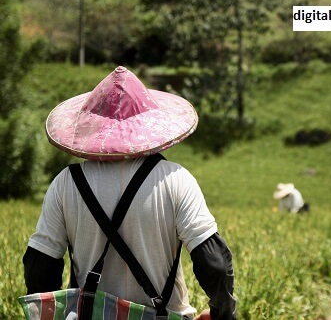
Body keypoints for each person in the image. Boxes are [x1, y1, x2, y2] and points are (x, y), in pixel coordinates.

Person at [22, 66, 236, 320]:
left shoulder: (66, 183)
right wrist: (223, 315)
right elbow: (215, 265)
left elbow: (39, 270)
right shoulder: (175, 179)